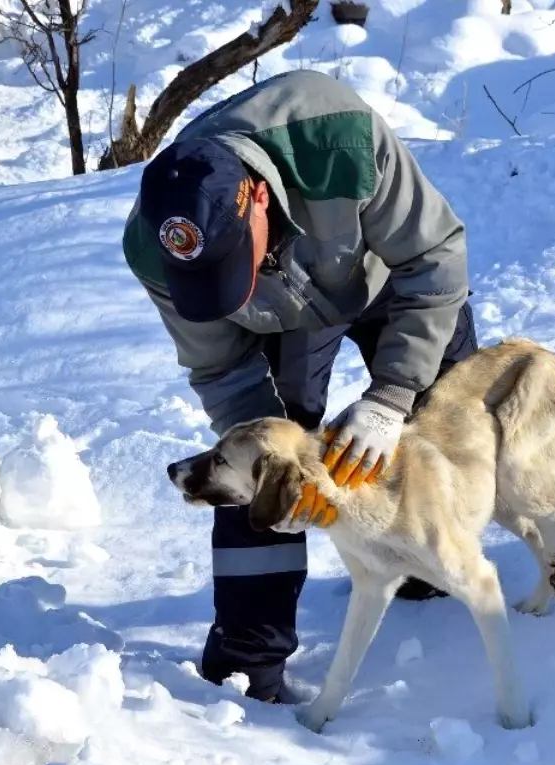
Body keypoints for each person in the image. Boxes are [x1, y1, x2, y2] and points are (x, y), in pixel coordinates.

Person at [121, 69, 478, 704]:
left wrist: (394, 392)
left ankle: (428, 568)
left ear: (259, 197)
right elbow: (221, 370)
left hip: (387, 277)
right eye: (211, 278)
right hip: (282, 321)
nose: (235, 277)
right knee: (256, 472)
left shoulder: (337, 138)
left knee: (446, 413)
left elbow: (435, 258)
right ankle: (247, 661)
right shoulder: (158, 247)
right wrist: (276, 473)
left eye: (234, 261)